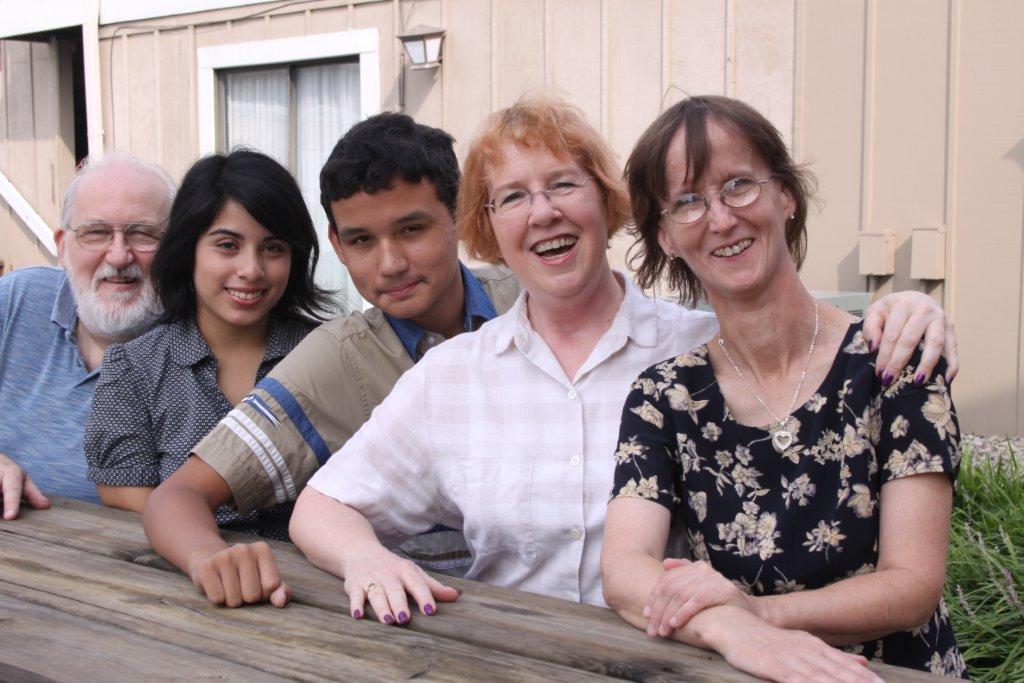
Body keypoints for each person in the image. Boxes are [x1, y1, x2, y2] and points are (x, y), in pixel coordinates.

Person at [287, 95, 955, 646]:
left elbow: (795, 336)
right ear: (487, 228)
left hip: (677, 659)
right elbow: (322, 504)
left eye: (563, 185)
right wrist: (366, 556)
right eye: (512, 197)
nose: (542, 210)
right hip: (509, 657)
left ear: (607, 203)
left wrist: (912, 307)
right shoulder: (453, 375)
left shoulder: (695, 352)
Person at [601, 95, 966, 680]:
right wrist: (732, 630)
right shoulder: (665, 396)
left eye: (739, 185)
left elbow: (912, 584)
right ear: (665, 236)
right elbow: (624, 571)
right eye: (688, 203)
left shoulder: (894, 359)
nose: (720, 219)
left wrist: (757, 616)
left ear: (786, 196)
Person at [141, 114, 520, 607]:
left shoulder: (528, 303)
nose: (390, 263)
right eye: (362, 240)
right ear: (337, 244)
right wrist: (207, 556)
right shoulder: (337, 359)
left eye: (411, 229)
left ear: (460, 214)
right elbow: (178, 495)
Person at [84, 149, 333, 540]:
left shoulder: (329, 354)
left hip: (318, 578)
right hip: (177, 578)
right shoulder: (134, 367)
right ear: (188, 250)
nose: (251, 270)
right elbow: (120, 486)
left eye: (273, 248)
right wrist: (203, 544)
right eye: (227, 245)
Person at [0, 153, 175, 519]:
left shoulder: (198, 350)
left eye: (143, 234)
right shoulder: (16, 301)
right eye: (95, 233)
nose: (119, 255)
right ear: (62, 246)